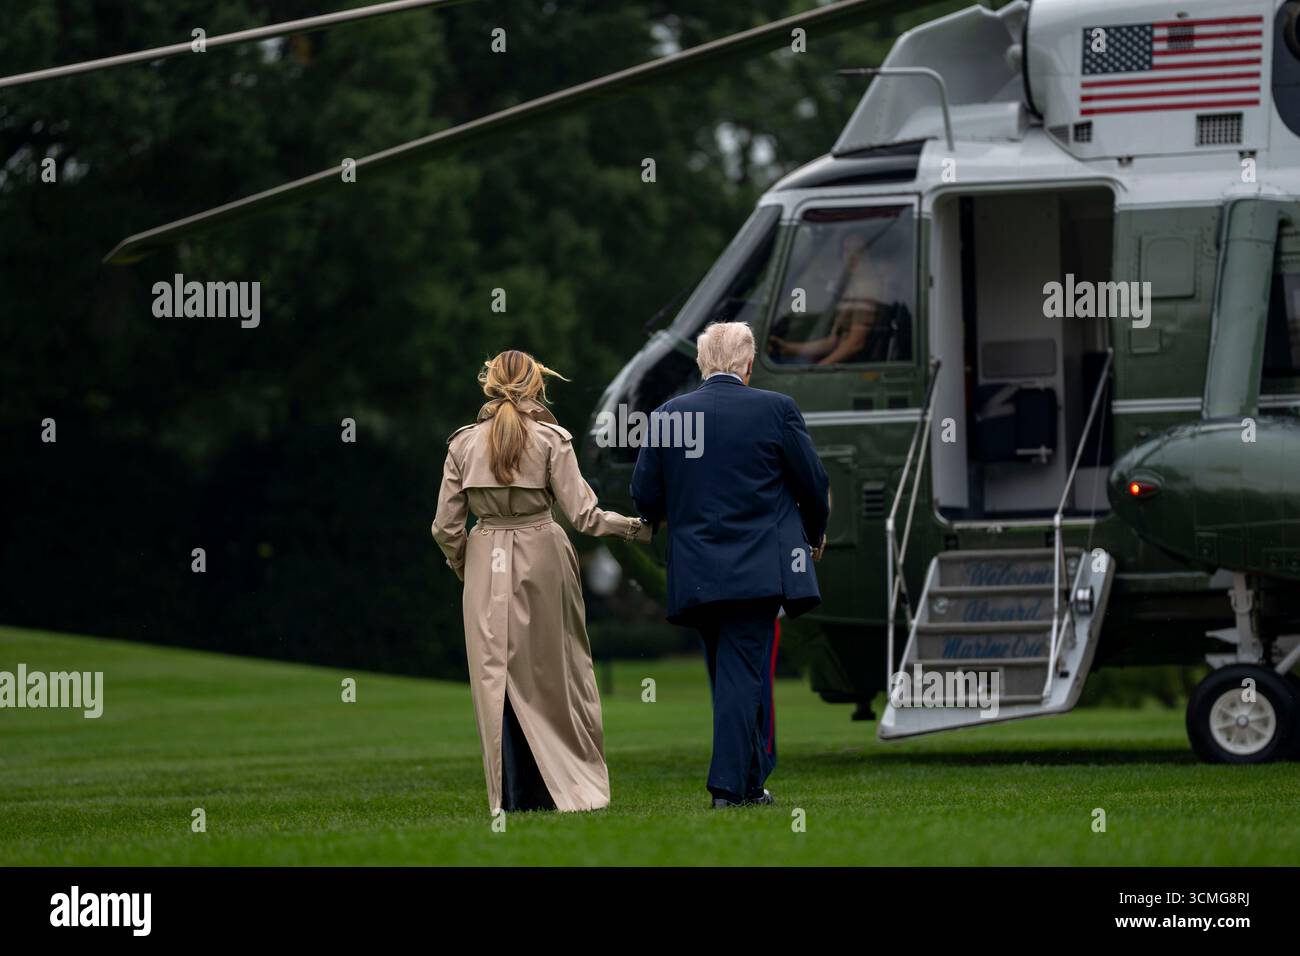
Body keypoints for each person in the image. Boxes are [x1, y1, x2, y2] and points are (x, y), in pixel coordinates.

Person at [432, 350, 652, 814]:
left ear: (488, 384)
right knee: (556, 676)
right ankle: (556, 788)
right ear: (536, 385)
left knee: (494, 677)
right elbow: (585, 517)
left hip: (484, 552)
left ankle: (511, 794)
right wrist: (636, 527)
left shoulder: (462, 444)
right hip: (542, 554)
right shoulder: (552, 439)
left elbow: (445, 529)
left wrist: (464, 569)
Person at [630, 322, 830, 809]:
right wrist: (815, 534)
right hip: (758, 568)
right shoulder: (775, 410)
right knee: (744, 674)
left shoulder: (668, 416)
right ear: (747, 363)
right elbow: (813, 483)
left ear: (702, 362)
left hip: (695, 571)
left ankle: (750, 783)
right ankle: (727, 790)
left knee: (734, 674)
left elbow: (644, 495)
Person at [769, 231, 887, 365]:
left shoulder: (868, 289)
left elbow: (856, 343)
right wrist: (788, 348)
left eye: (858, 250)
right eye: (846, 250)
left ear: (869, 254)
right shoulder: (853, 290)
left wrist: (816, 370)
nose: (851, 256)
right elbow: (832, 342)